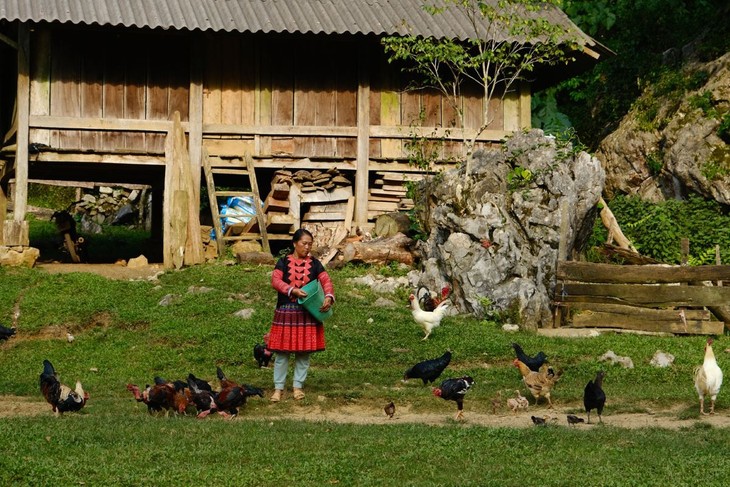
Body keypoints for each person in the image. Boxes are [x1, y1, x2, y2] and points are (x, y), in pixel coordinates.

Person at [268, 229, 334, 402]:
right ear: (295, 243)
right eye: (304, 243)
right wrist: (291, 290)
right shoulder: (282, 262)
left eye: (310, 244)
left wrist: (328, 296)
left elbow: (326, 281)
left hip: (307, 313)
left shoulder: (316, 264)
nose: (307, 247)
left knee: (303, 353)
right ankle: (278, 389)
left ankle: (298, 387)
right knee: (282, 353)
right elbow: (275, 281)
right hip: (286, 312)